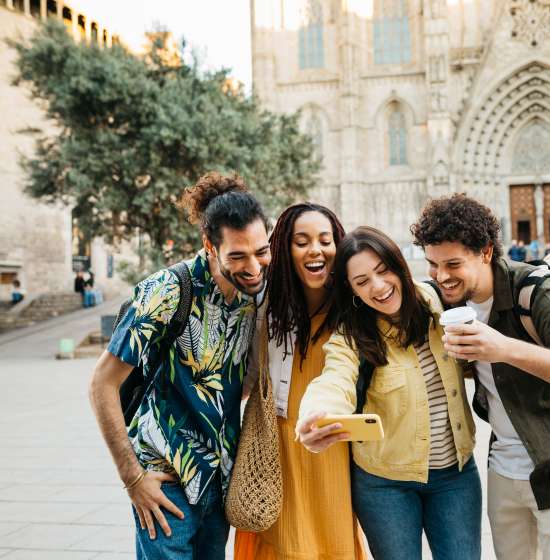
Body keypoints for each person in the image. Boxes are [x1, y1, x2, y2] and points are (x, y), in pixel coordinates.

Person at [411, 194, 550, 560]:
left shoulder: (541, 292)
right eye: (433, 265)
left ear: (486, 252)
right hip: (504, 472)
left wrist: (503, 349)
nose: (441, 276)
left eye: (453, 264)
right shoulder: (454, 302)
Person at [89, 172, 270, 560]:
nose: (254, 266)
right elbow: (101, 383)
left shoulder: (251, 298)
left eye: (261, 251)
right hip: (165, 483)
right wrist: (132, 478)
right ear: (210, 246)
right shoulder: (167, 290)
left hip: (220, 487)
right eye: (238, 256)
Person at [297, 226, 481, 560]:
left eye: (383, 271)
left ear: (398, 265)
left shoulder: (438, 303)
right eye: (363, 281)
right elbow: (334, 379)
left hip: (456, 476)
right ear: (352, 290)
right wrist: (317, 413)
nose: (378, 287)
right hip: (385, 485)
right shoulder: (352, 334)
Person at [234, 203, 367, 560]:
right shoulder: (265, 307)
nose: (315, 250)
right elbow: (247, 379)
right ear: (284, 249)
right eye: (302, 241)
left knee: (332, 541)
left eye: (325, 240)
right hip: (278, 449)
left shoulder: (353, 306)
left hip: (333, 447)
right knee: (284, 544)